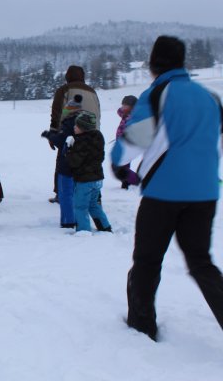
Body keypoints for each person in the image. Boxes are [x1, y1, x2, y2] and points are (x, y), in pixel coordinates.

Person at [112, 35, 223, 341]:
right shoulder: (210, 98)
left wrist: (118, 163)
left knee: (147, 260)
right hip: (204, 194)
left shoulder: (158, 93)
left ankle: (142, 325)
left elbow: (136, 139)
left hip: (163, 193)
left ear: (154, 63)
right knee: (201, 262)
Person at [48, 65, 101, 203]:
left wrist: (54, 133)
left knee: (64, 160)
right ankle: (92, 195)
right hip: (92, 128)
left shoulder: (64, 90)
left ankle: (62, 194)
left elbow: (57, 112)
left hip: (72, 126)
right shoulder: (92, 91)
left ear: (68, 76)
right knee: (87, 162)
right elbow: (98, 113)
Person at [41, 94, 84, 228]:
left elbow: (61, 141)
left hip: (67, 163)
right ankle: (77, 219)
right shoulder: (84, 120)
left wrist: (49, 135)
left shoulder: (70, 122)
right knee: (76, 193)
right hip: (80, 162)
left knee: (65, 194)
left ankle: (68, 221)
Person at [65, 111, 111, 233]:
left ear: (84, 128)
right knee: (93, 204)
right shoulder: (98, 136)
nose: (74, 127)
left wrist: (68, 149)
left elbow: (74, 162)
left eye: (77, 126)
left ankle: (83, 231)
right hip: (97, 179)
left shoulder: (81, 141)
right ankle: (105, 227)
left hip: (85, 180)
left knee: (80, 207)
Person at [115, 95, 140, 190]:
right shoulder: (125, 114)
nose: (123, 107)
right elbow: (119, 111)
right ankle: (128, 180)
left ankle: (134, 180)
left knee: (122, 165)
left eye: (126, 105)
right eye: (123, 105)